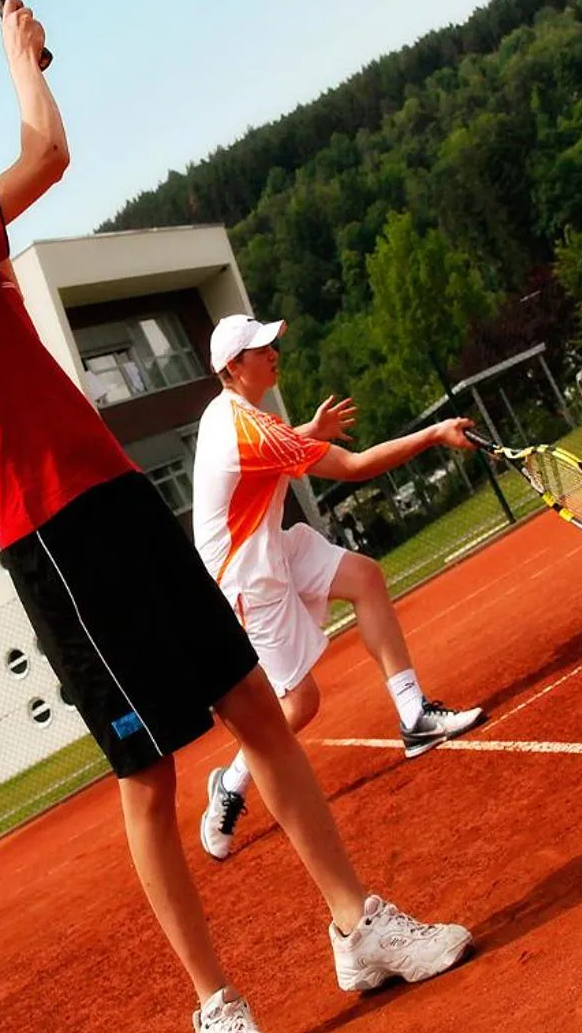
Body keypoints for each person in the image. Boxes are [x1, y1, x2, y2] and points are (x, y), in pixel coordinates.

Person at [0, 0, 474, 1033]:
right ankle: (217, 1011)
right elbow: (55, 155)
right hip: (57, 540)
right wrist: (19, 63)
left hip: (117, 501)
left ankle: (356, 927)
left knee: (259, 715)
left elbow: (7, 181)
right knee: (146, 777)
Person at [191, 314, 487, 861]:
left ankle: (413, 716)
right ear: (234, 366)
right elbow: (352, 467)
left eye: (271, 343)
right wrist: (434, 433)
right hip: (244, 573)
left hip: (267, 544)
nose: (273, 351)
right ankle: (230, 785)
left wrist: (307, 432)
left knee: (365, 577)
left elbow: (265, 457)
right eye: (260, 348)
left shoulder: (232, 413)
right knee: (300, 703)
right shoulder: (246, 426)